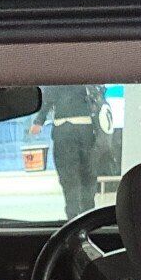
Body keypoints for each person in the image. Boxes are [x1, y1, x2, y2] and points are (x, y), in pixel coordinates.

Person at [28, 86, 118, 219]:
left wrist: (39, 121)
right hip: (87, 130)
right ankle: (88, 213)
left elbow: (47, 98)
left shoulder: (57, 80)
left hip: (64, 131)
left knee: (69, 177)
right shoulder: (87, 78)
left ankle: (73, 215)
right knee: (88, 173)